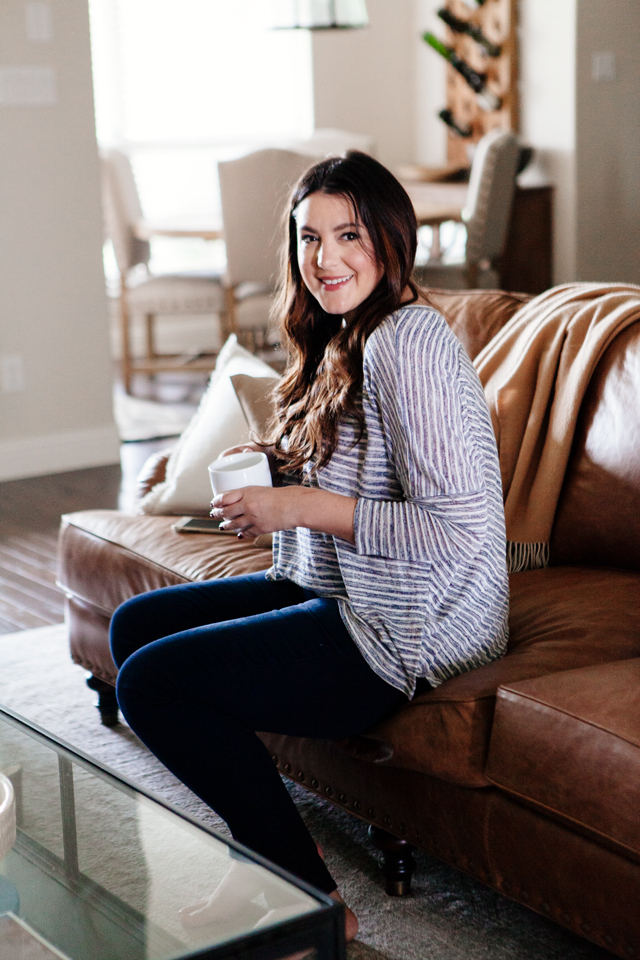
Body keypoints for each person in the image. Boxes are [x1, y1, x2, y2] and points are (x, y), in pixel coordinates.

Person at [111, 152, 509, 941]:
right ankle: (259, 858)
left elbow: (456, 530)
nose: (325, 258)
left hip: (411, 624)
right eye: (309, 237)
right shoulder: (346, 328)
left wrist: (299, 505)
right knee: (135, 629)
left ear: (392, 237)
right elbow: (368, 468)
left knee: (154, 684)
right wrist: (277, 471)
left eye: (348, 235)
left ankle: (310, 904)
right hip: (342, 587)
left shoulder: (407, 343)